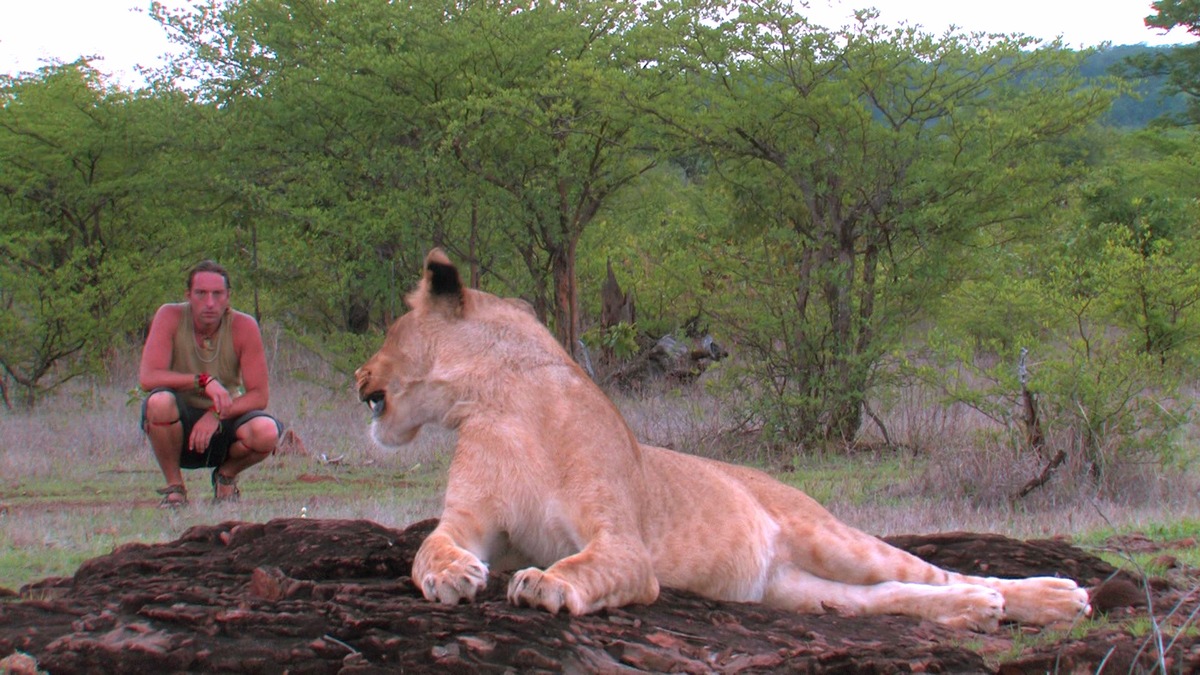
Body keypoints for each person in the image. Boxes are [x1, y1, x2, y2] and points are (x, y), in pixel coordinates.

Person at [138, 260, 282, 507]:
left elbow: (259, 396)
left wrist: (216, 414)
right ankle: (175, 488)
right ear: (188, 295)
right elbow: (148, 378)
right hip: (178, 424)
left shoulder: (244, 326)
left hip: (223, 421)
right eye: (201, 294)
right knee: (159, 401)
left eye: (217, 294)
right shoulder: (169, 316)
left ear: (228, 297)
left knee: (266, 431)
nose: (210, 303)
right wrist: (203, 381)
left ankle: (225, 477)